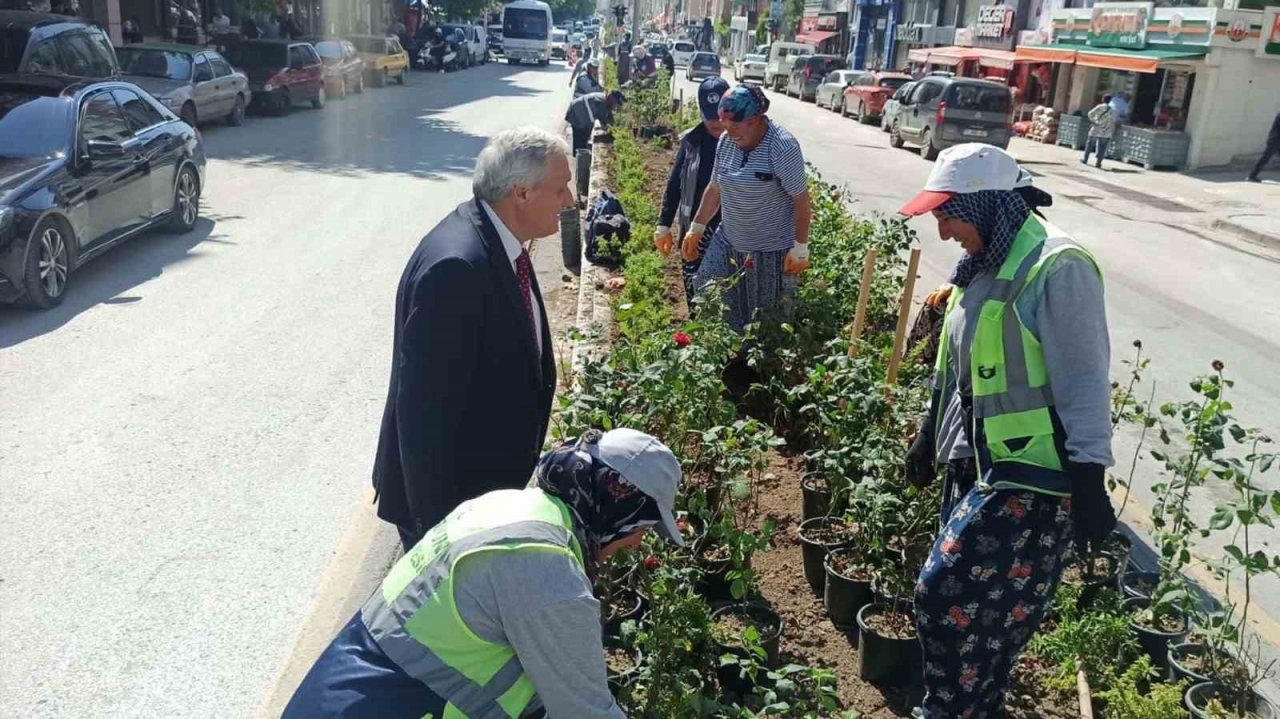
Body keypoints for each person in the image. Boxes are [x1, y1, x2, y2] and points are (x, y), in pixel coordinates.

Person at [899, 144, 1115, 719]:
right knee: (988, 615)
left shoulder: (1058, 267)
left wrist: (1091, 479)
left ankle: (947, 710)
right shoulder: (978, 265)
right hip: (976, 461)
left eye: (948, 215)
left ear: (988, 205)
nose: (942, 232)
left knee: (944, 596)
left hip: (1034, 477)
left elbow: (1085, 380)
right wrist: (927, 435)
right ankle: (972, 707)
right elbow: (956, 362)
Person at [289, 429, 685, 719]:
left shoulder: (508, 506)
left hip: (341, 691)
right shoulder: (547, 570)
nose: (636, 544)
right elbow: (586, 712)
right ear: (620, 505)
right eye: (642, 527)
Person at [371, 128, 572, 551]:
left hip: (482, 500)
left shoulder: (500, 242)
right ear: (521, 194)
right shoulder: (458, 267)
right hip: (451, 515)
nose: (570, 200)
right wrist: (440, 540)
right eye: (559, 189)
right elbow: (423, 416)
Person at [682, 84, 812, 332]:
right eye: (725, 124)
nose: (729, 132)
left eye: (736, 126)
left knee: (765, 319)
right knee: (705, 288)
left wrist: (801, 248)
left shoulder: (782, 147)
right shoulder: (726, 142)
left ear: (756, 120)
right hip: (728, 240)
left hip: (769, 250)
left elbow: (802, 201)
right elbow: (714, 188)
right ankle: (722, 355)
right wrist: (696, 228)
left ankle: (753, 367)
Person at [656, 77, 728, 306]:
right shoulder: (692, 142)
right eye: (709, 116)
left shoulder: (742, 142)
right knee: (695, 288)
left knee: (726, 291)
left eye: (720, 115)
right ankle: (697, 334)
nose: (715, 122)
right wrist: (663, 225)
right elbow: (675, 183)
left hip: (731, 232)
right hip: (694, 230)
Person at [1082, 94, 1115, 169]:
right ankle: (1098, 163)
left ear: (1103, 99)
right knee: (1102, 147)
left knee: (1089, 144)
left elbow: (1090, 113)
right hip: (1105, 130)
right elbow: (1112, 121)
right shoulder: (1112, 110)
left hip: (1096, 128)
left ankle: (1085, 159)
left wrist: (1094, 121)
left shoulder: (1099, 107)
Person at [1248, 111, 1280, 183]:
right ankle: (1252, 176)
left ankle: (1252, 176)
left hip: (1275, 140)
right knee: (1265, 158)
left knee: (1265, 158)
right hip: (1275, 140)